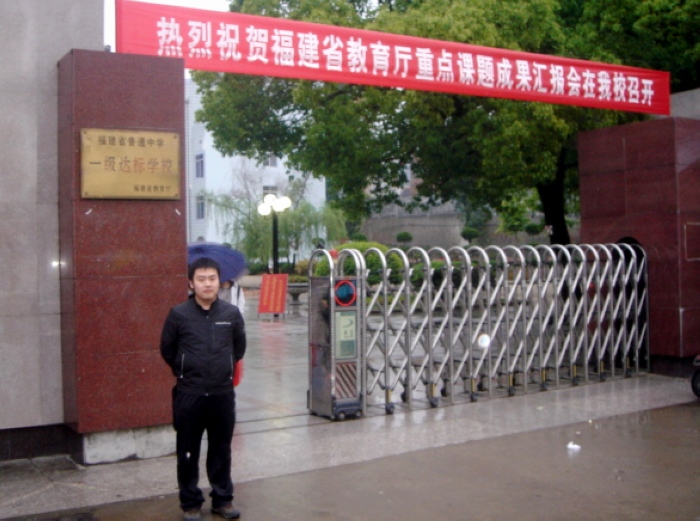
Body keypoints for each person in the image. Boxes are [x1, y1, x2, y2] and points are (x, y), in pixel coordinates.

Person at [160, 257, 246, 520]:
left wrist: (223, 369)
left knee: (221, 449)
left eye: (212, 279)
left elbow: (239, 348)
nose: (207, 284)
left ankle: (222, 500)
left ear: (219, 282)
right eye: (201, 279)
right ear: (191, 283)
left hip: (222, 394)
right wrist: (185, 369)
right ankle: (190, 503)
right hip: (190, 394)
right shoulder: (179, 314)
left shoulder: (231, 314)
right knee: (188, 451)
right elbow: (167, 349)